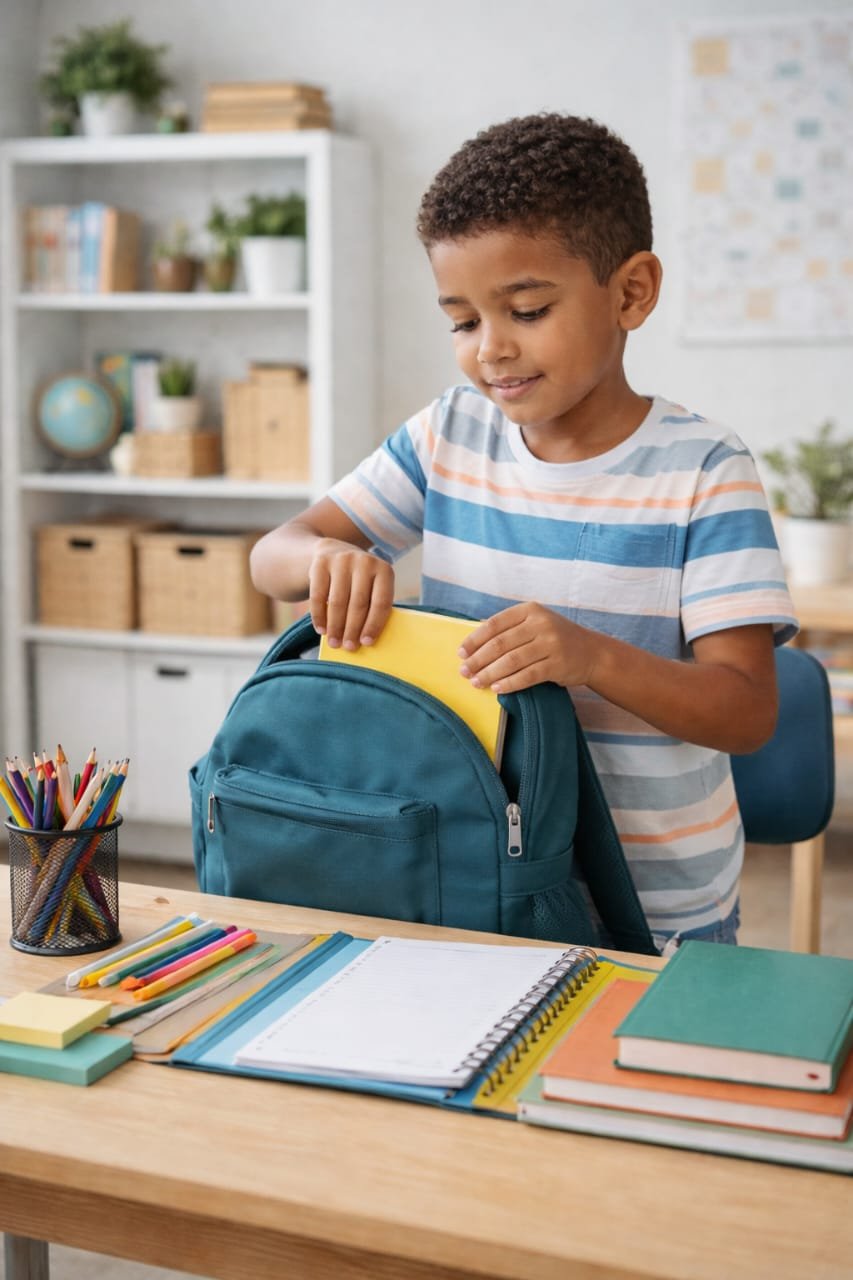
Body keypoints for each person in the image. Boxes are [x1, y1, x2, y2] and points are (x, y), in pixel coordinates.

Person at [250, 113, 797, 950]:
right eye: (463, 323)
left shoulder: (704, 469)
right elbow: (272, 555)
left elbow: (748, 711)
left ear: (631, 292)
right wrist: (325, 554)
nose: (491, 351)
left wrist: (593, 657)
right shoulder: (448, 437)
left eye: (527, 309)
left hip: (657, 911)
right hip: (478, 872)